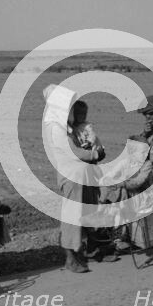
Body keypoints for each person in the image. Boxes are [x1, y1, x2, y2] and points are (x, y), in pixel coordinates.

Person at [43, 85, 105, 273]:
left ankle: (88, 250)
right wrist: (96, 155)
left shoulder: (64, 126)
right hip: (72, 178)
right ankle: (71, 258)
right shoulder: (55, 127)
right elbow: (73, 152)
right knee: (72, 219)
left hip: (80, 176)